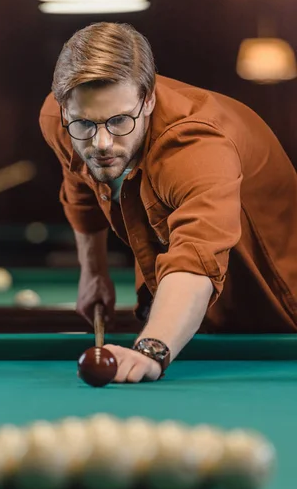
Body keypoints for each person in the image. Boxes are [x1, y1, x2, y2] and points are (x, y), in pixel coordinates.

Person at [39, 22, 297, 383]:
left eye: (118, 121)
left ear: (148, 100)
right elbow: (82, 184)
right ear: (64, 108)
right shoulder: (60, 120)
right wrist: (94, 271)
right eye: (84, 123)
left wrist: (152, 349)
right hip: (184, 310)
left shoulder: (196, 145)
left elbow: (196, 255)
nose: (100, 142)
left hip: (279, 308)